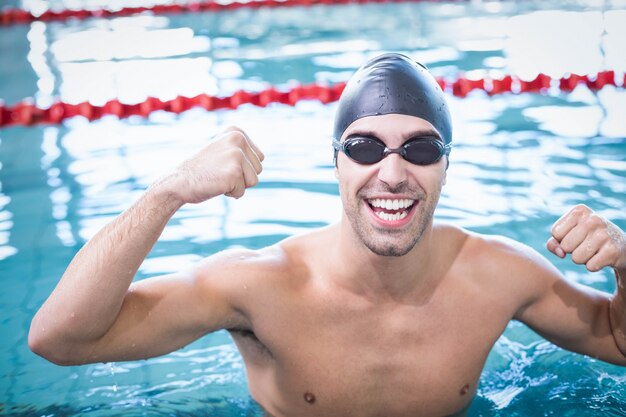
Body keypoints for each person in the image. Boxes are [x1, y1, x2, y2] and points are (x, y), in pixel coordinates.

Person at [29, 53, 626, 417]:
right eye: (364, 148)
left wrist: (625, 263)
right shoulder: (259, 285)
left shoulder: (500, 274)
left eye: (420, 149)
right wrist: (168, 191)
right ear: (335, 163)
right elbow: (62, 340)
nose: (391, 173)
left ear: (448, 165)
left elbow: (617, 345)